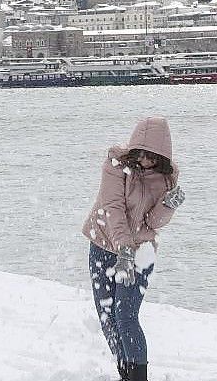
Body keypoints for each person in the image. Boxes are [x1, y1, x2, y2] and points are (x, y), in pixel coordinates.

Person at [81, 117, 185, 381]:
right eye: (140, 153)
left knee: (125, 315)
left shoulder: (167, 178)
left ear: (161, 155)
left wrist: (168, 206)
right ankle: (125, 374)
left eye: (151, 156)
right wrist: (123, 249)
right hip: (103, 243)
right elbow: (112, 208)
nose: (145, 160)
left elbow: (153, 223)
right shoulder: (115, 163)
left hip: (142, 253)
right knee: (108, 317)